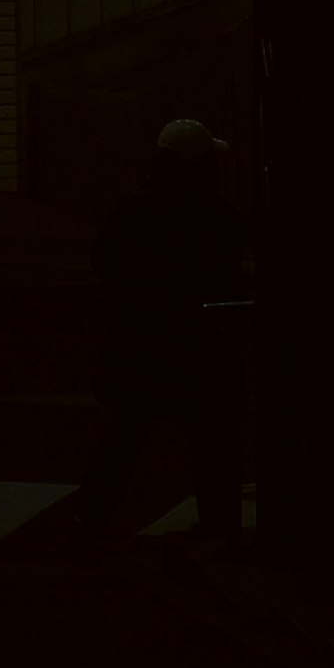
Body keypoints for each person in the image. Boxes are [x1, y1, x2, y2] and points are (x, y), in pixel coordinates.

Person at [72, 119, 249, 545]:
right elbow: (223, 272)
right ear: (199, 162)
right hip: (191, 343)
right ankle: (219, 526)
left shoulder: (140, 200)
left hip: (140, 344)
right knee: (211, 437)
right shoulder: (211, 210)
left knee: (125, 434)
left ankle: (88, 523)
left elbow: (105, 258)